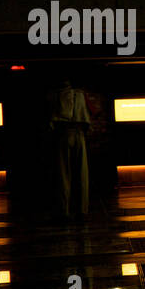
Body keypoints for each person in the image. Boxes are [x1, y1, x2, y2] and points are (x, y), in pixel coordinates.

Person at [48, 78, 92, 220]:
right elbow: (89, 115)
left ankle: (64, 210)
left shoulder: (53, 95)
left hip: (62, 133)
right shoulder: (80, 94)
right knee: (82, 173)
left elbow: (50, 121)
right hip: (79, 132)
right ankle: (82, 210)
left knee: (63, 174)